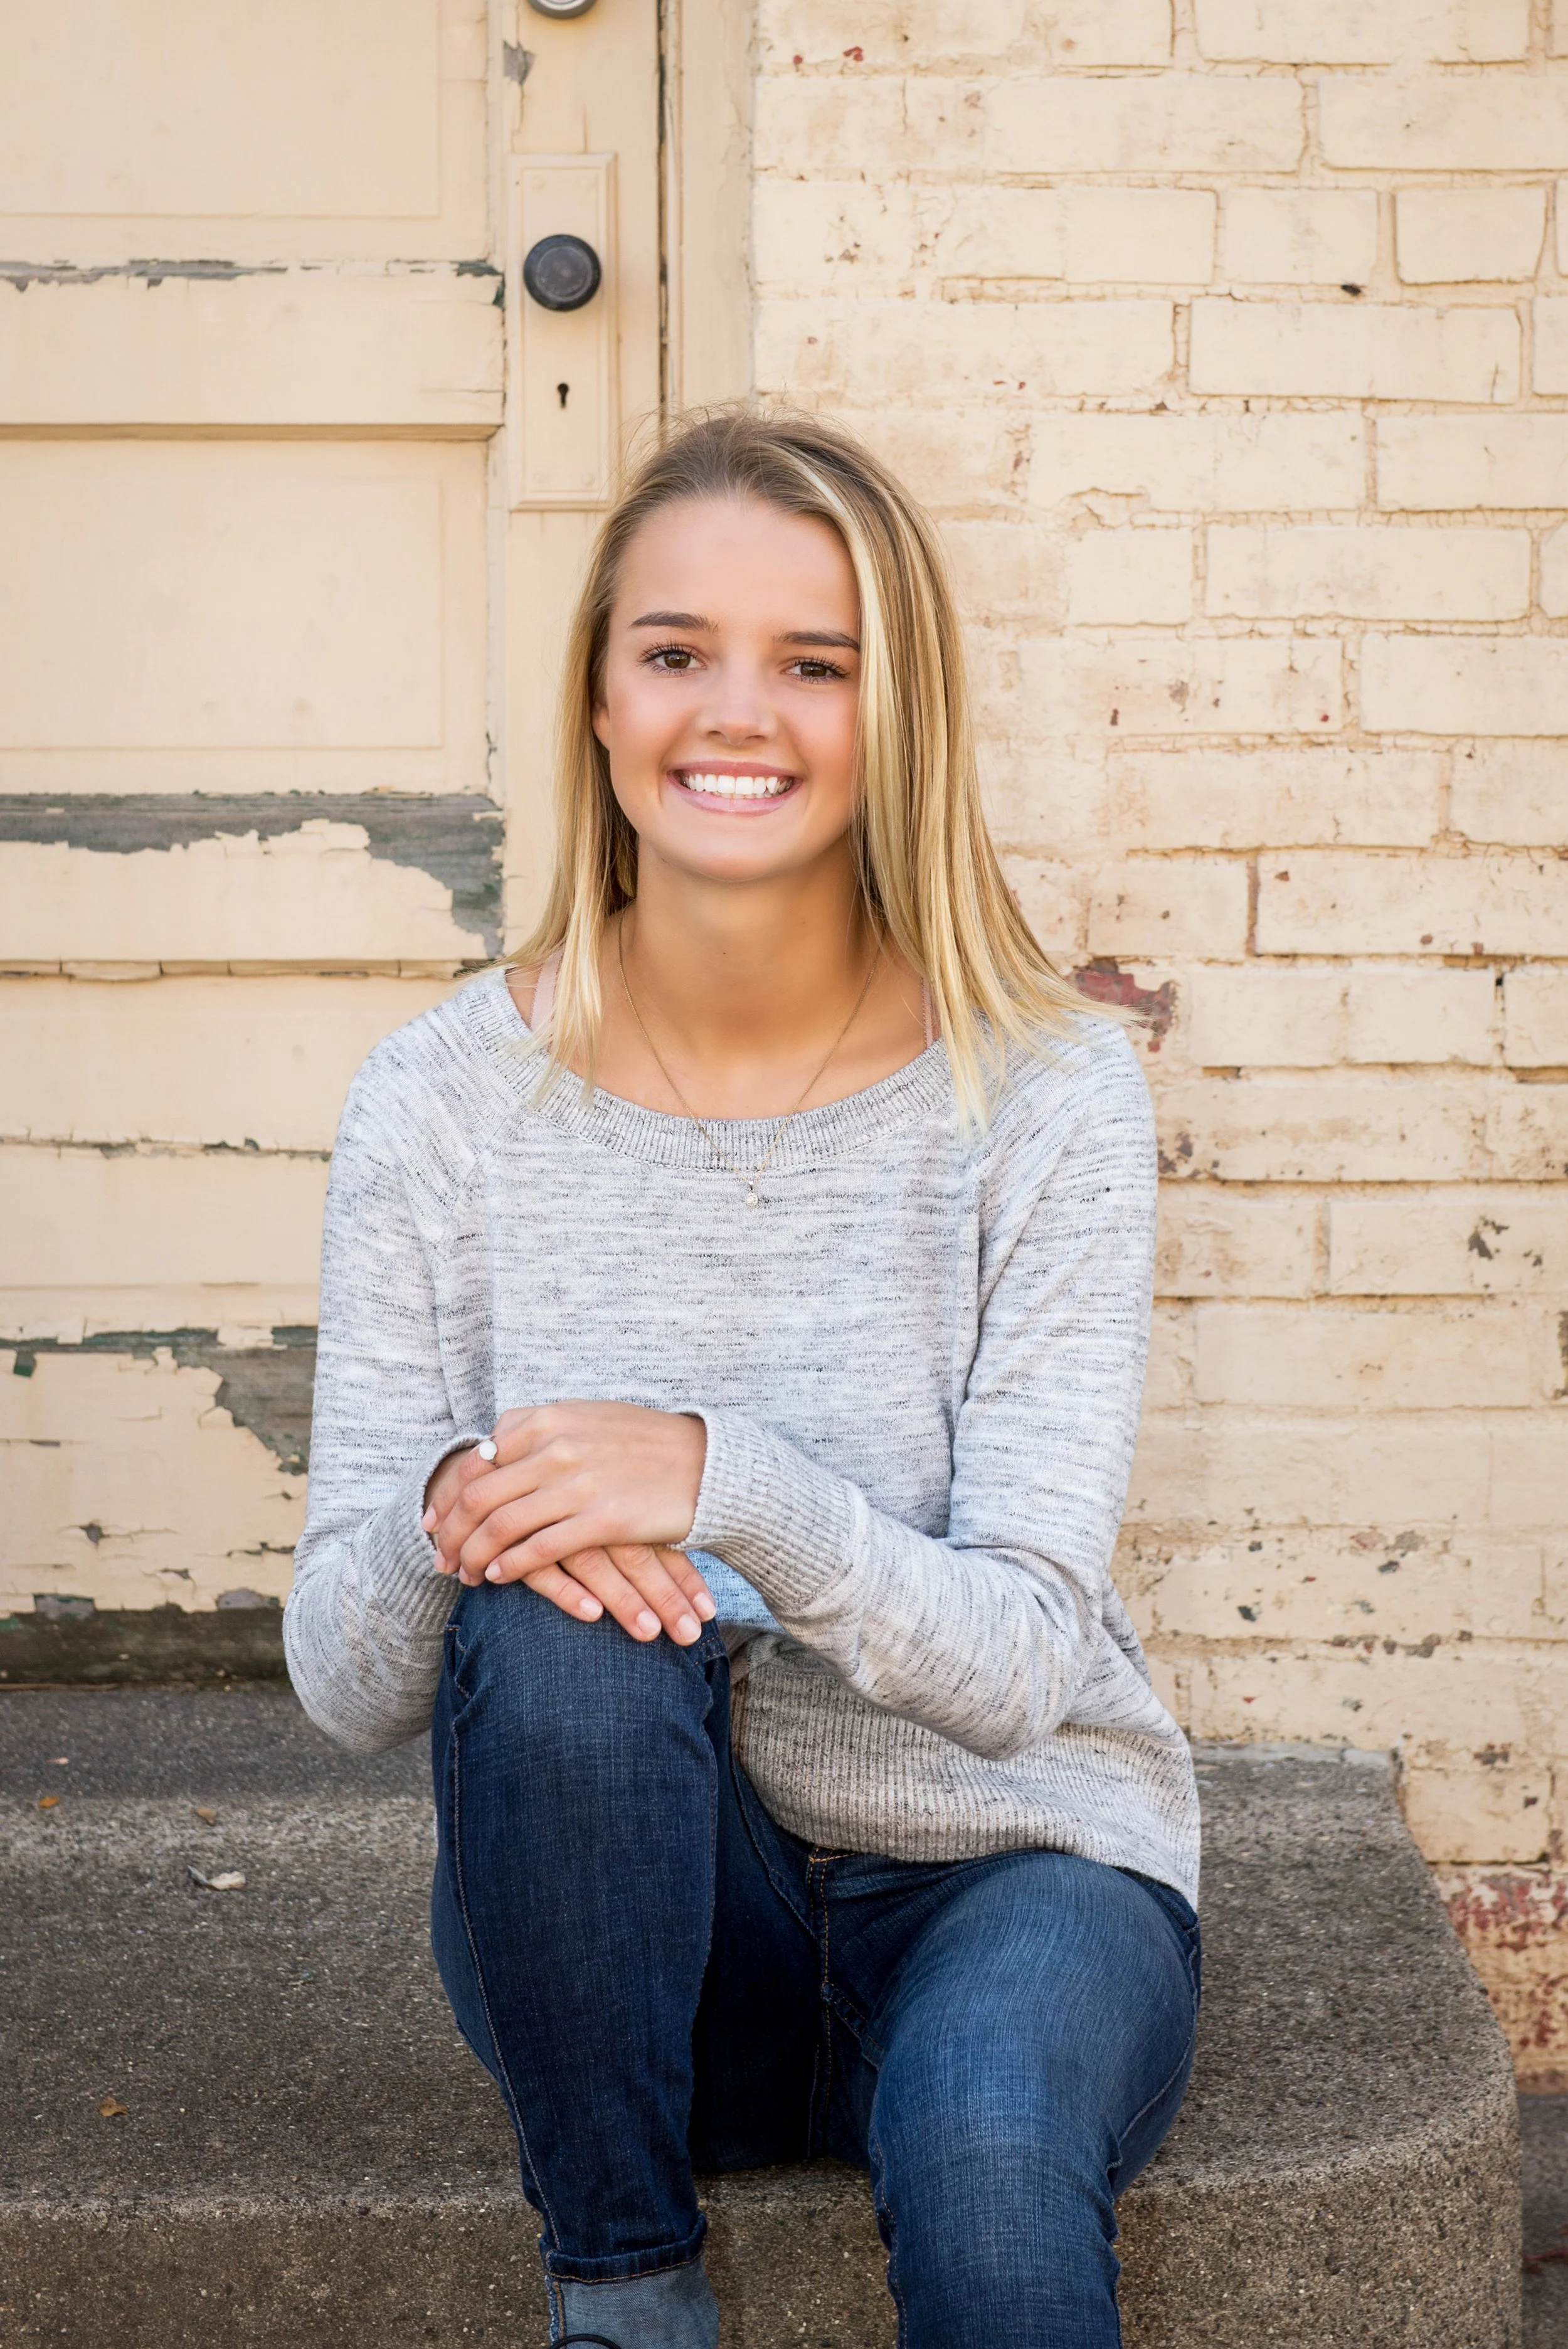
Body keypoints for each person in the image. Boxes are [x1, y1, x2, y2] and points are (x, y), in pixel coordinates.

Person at [284, 408, 1202, 2349]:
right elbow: (348, 1683)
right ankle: (625, 2294)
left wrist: (726, 1486)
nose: (735, 714)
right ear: (600, 700)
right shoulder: (439, 1102)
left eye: (814, 663)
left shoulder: (1042, 1096)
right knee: (548, 1622)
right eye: (676, 651)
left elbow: (1025, 1663)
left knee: (986, 2166)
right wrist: (470, 1508)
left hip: (1010, 1872)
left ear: (897, 715)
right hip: (634, 1942)